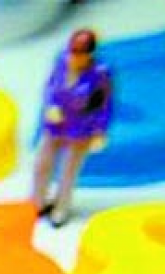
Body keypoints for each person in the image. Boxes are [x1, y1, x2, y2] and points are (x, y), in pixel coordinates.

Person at [32, 28, 113, 228]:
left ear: (89, 54)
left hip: (81, 128)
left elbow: (104, 104)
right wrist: (50, 106)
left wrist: (100, 130)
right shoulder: (61, 62)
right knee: (42, 163)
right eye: (72, 52)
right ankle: (37, 201)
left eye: (79, 54)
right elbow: (50, 86)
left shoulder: (99, 73)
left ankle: (61, 208)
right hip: (56, 123)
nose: (74, 58)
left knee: (68, 171)